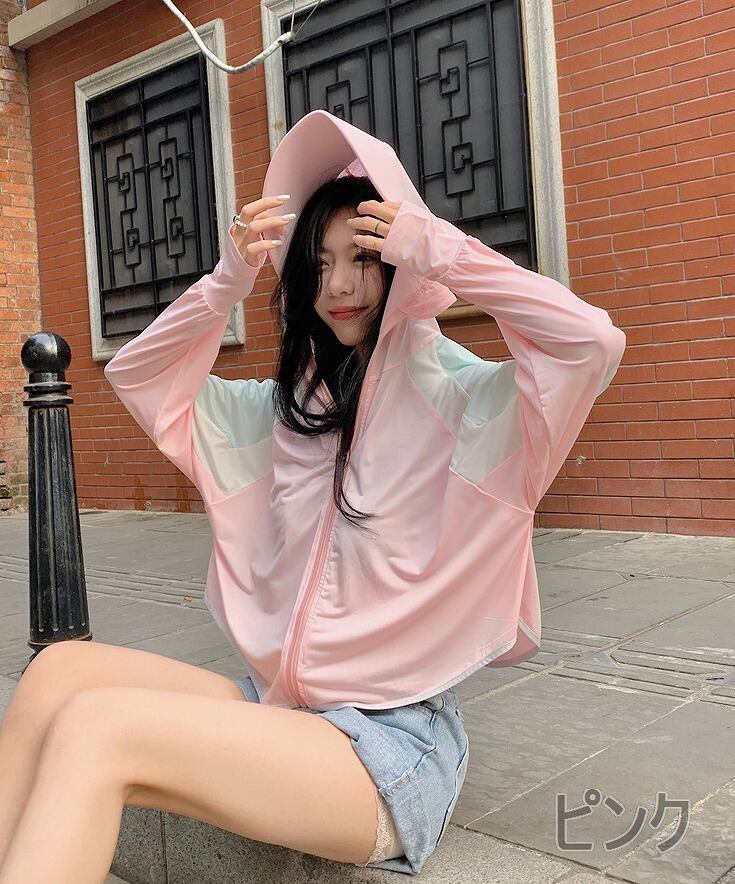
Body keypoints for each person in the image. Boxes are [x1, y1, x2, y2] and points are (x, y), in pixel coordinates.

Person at [0, 110, 626, 882]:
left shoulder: (470, 406)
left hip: (390, 746)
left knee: (100, 727)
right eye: (319, 263)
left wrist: (437, 248)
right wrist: (227, 281)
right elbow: (140, 377)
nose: (337, 286)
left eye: (363, 256)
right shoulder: (281, 413)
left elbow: (589, 342)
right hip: (283, 708)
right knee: (58, 674)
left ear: (398, 260)